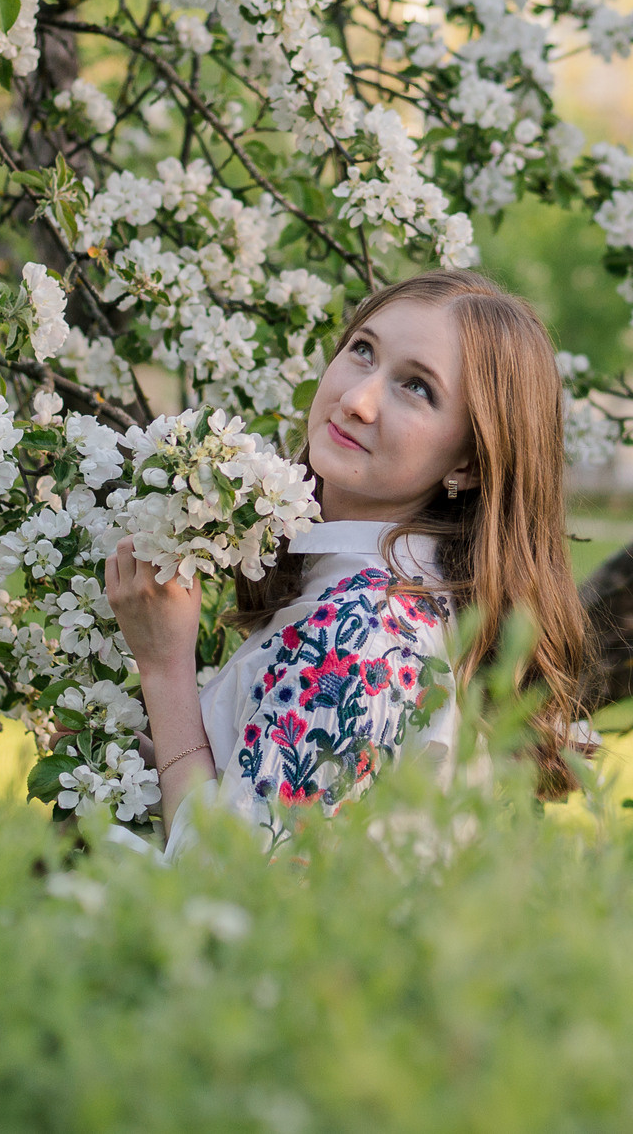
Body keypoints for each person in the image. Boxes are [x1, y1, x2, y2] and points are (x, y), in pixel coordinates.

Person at [103, 270, 592, 848]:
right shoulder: (407, 599)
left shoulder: (359, 635)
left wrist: (165, 671)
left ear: (468, 463)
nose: (357, 401)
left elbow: (228, 892)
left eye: (417, 388)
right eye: (363, 351)